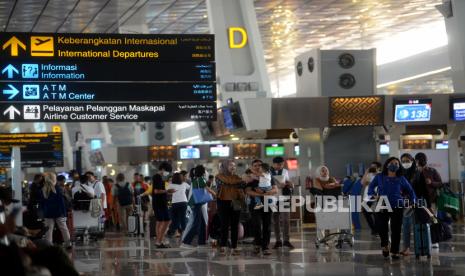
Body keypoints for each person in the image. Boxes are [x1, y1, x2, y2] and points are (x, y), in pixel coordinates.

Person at [368, 157, 417, 259]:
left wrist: (413, 201)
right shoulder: (379, 177)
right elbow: (371, 187)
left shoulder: (401, 178)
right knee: (382, 227)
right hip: (382, 204)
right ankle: (385, 246)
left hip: (397, 205)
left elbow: (411, 191)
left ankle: (394, 251)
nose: (394, 165)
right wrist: (373, 195)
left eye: (396, 163)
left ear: (399, 166)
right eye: (392, 163)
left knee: (396, 229)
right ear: (387, 165)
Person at [245, 159, 278, 255]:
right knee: (256, 224)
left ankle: (265, 247)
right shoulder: (251, 178)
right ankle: (257, 245)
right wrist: (259, 195)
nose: (258, 167)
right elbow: (247, 191)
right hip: (255, 203)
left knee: (267, 225)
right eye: (255, 165)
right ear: (252, 167)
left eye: (260, 165)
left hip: (268, 202)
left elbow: (275, 189)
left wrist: (265, 193)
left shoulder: (268, 175)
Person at [181, 165, 216, 248]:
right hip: (197, 203)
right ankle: (186, 242)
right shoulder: (200, 179)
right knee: (196, 223)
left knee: (202, 223)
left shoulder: (195, 179)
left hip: (196, 203)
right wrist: (215, 194)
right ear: (202, 172)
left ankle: (201, 243)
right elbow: (207, 188)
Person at [414, 152, 443, 248]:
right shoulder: (415, 172)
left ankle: (435, 241)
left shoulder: (432, 171)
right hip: (419, 200)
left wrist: (432, 183)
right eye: (417, 160)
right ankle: (424, 239)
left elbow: (440, 183)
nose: (419, 162)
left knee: (433, 219)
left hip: (432, 199)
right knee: (421, 220)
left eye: (421, 160)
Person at [215, 159, 244, 255]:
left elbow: (242, 184)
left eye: (234, 166)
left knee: (235, 224)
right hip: (223, 201)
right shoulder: (219, 176)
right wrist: (236, 183)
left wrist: (238, 182)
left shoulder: (237, 177)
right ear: (225, 166)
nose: (233, 167)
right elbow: (224, 182)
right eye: (230, 165)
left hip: (236, 201)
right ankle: (223, 245)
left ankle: (234, 246)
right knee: (224, 224)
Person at [40, 173, 72, 249]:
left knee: (49, 230)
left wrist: (42, 213)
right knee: (64, 228)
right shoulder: (58, 189)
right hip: (59, 212)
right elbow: (61, 203)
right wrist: (64, 213)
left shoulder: (43, 190)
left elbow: (42, 203)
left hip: (48, 213)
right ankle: (68, 244)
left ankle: (49, 245)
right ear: (55, 179)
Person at [270, 157, 294, 250]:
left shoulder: (285, 171)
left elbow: (288, 181)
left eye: (282, 164)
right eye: (279, 164)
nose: (281, 166)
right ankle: (278, 241)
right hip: (273, 198)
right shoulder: (268, 172)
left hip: (284, 197)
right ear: (274, 164)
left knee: (286, 220)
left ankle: (286, 241)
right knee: (275, 220)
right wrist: (277, 185)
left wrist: (290, 184)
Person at [399, 153, 419, 256]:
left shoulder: (417, 173)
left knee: (417, 226)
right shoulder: (401, 174)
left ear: (412, 161)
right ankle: (406, 248)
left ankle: (418, 248)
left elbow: (421, 189)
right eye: (403, 161)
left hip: (416, 203)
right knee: (406, 226)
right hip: (405, 203)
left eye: (407, 161)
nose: (405, 163)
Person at [151, 174, 175, 248]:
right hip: (159, 204)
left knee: (163, 221)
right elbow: (156, 191)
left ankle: (160, 240)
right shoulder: (158, 181)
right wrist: (167, 191)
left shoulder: (159, 182)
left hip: (160, 204)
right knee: (162, 221)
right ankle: (159, 241)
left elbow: (158, 192)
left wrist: (168, 192)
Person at [361, 162, 382, 236]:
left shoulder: (381, 174)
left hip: (377, 196)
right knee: (365, 212)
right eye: (371, 167)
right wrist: (366, 172)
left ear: (379, 167)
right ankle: (374, 229)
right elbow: (363, 183)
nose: (372, 168)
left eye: (374, 167)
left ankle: (376, 230)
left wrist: (376, 174)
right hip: (368, 196)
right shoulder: (368, 175)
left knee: (376, 213)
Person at [166, 173, 190, 239]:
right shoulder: (184, 184)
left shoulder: (170, 185)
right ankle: (185, 233)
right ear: (180, 178)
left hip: (174, 203)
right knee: (183, 218)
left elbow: (166, 191)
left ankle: (171, 231)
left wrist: (170, 192)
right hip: (184, 202)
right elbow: (190, 188)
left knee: (175, 219)